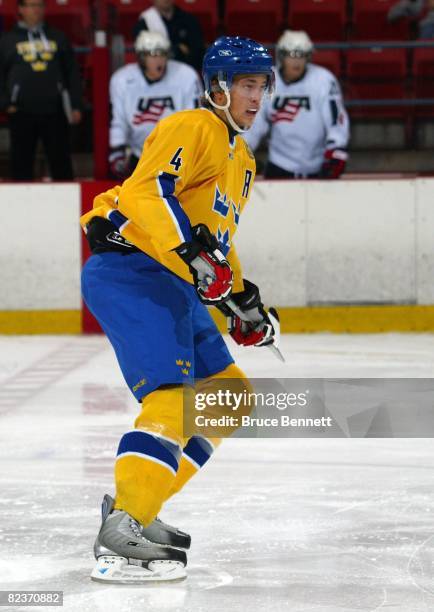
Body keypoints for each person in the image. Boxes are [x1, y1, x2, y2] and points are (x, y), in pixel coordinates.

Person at [80, 36, 277, 583]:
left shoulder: (243, 159)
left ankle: (139, 505)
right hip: (132, 271)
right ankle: (123, 526)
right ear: (217, 88)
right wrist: (191, 254)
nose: (255, 98)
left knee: (230, 399)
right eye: (245, 86)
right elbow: (147, 194)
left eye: (261, 86)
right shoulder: (194, 127)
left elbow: (215, 238)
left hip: (172, 282)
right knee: (172, 399)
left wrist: (240, 300)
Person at [244, 30, 350, 179]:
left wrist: (336, 148)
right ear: (281, 55)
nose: (297, 61)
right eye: (292, 55)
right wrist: (242, 151)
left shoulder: (323, 80)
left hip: (317, 166)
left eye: (302, 55)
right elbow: (254, 123)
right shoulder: (266, 81)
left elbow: (335, 119)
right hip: (279, 165)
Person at [0, 0, 82, 181]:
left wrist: (75, 105)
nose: (36, 9)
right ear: (21, 9)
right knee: (21, 164)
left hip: (55, 110)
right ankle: (19, 206)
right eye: (31, 5)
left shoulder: (58, 37)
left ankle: (68, 206)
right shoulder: (6, 40)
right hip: (21, 111)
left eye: (39, 5)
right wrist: (6, 104)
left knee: (61, 163)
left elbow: (72, 73)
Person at [109, 30, 202, 180]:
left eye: (162, 54)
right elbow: (119, 119)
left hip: (177, 155)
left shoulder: (185, 75)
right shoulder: (123, 79)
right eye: (153, 54)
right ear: (141, 57)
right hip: (139, 155)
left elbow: (196, 119)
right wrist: (117, 149)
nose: (159, 60)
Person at [133, 0, 205, 72]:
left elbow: (197, 52)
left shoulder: (190, 20)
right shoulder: (145, 23)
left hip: (185, 72)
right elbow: (143, 55)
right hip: (156, 75)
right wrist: (177, 50)